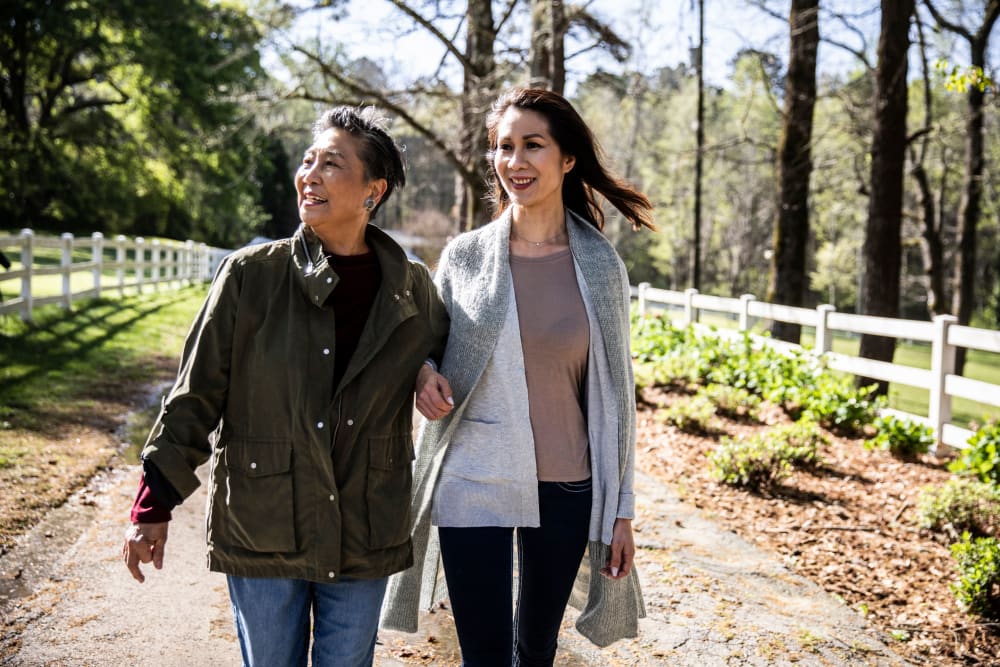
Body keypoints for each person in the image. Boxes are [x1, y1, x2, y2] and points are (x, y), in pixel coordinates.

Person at [122, 106, 448, 667]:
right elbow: (196, 393)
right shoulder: (251, 275)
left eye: (331, 164)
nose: (310, 175)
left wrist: (424, 368)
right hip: (263, 520)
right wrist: (153, 505)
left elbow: (446, 347)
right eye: (308, 161)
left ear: (373, 190)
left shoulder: (410, 286)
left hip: (364, 524)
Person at [382, 88, 655, 665]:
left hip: (566, 484)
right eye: (504, 147)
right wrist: (423, 374)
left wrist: (621, 511)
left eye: (533, 145)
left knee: (536, 649)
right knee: (484, 653)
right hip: (474, 477)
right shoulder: (465, 257)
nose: (515, 162)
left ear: (568, 158)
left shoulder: (601, 265)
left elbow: (616, 398)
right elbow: (424, 346)